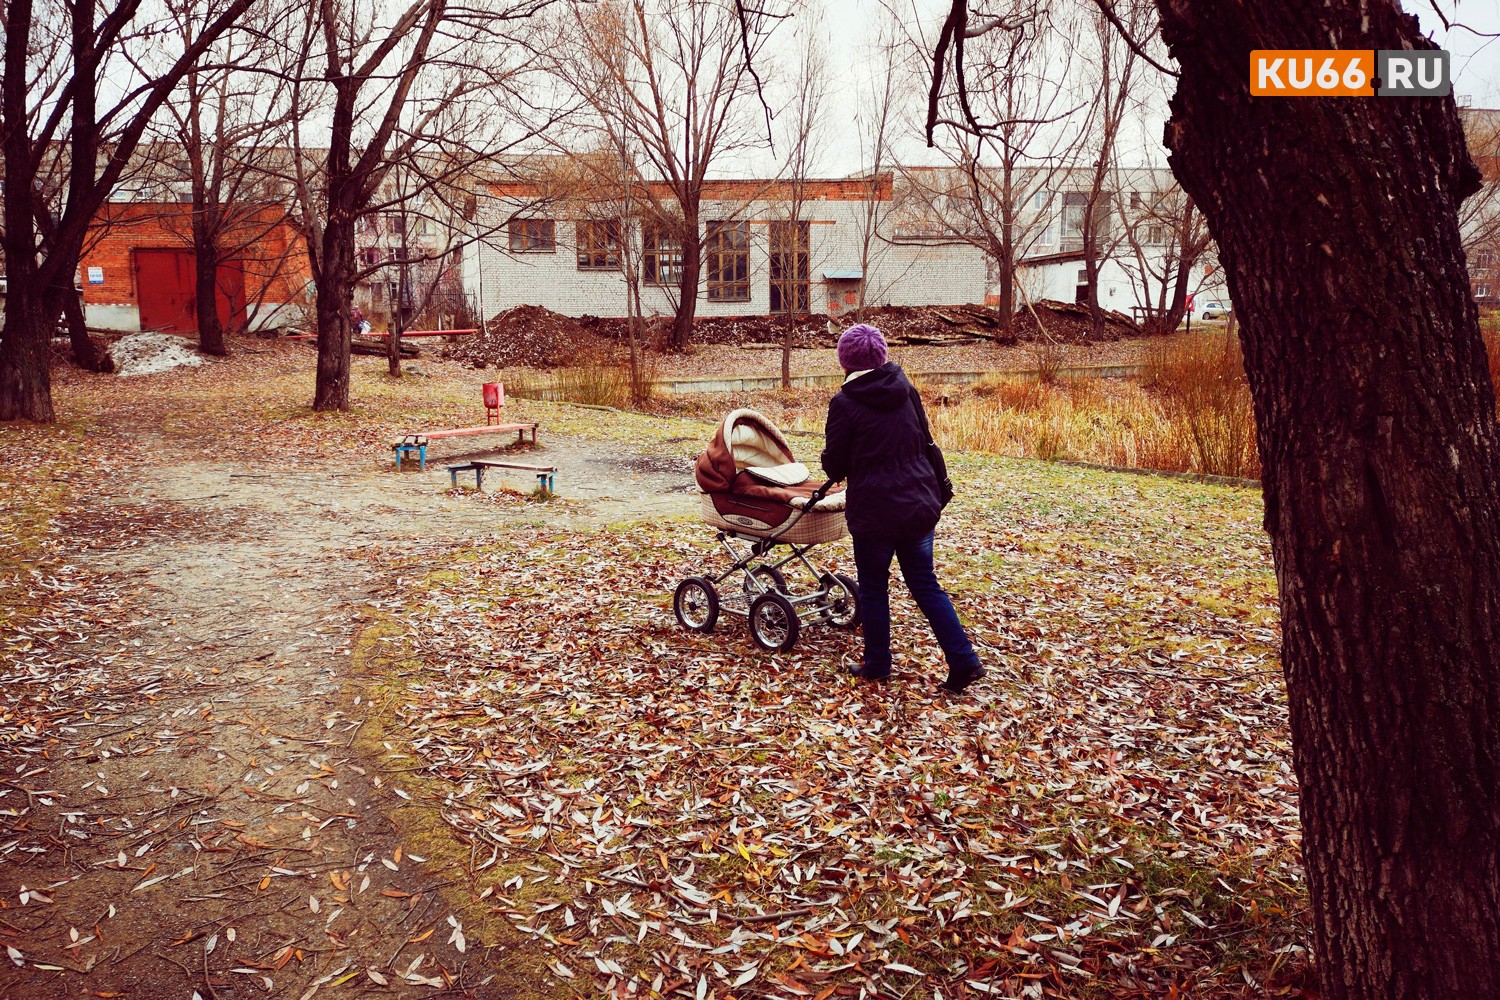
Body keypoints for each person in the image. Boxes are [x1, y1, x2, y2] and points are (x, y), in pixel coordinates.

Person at [820, 323, 985, 694]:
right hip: (918, 504)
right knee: (926, 585)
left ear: (845, 361)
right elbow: (923, 439)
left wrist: (829, 457)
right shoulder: (906, 390)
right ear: (882, 355)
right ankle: (964, 660)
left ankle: (878, 664)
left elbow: (835, 465)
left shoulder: (844, 403)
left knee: (875, 588)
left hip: (876, 512)